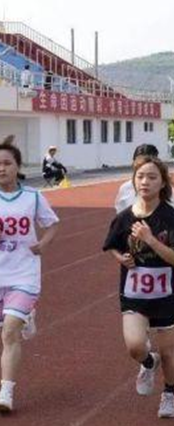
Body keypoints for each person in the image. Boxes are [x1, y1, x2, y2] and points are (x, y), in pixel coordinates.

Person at [103, 156, 174, 418]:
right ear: (133, 181)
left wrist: (150, 240)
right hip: (134, 294)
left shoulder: (170, 217)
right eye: (140, 176)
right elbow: (112, 246)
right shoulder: (124, 218)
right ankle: (148, 362)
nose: (145, 182)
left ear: (162, 183)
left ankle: (169, 394)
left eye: (152, 177)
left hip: (167, 295)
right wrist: (121, 258)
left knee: (168, 352)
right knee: (135, 347)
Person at [0, 138, 59, 412]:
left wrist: (43, 243)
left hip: (24, 275)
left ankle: (6, 392)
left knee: (10, 332)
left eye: (6, 163)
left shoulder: (33, 197)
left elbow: (52, 224)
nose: (1, 168)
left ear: (18, 167)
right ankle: (27, 315)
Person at [115, 144, 174, 220]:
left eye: (152, 177)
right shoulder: (125, 189)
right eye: (139, 162)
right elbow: (120, 214)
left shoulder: (166, 190)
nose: (145, 182)